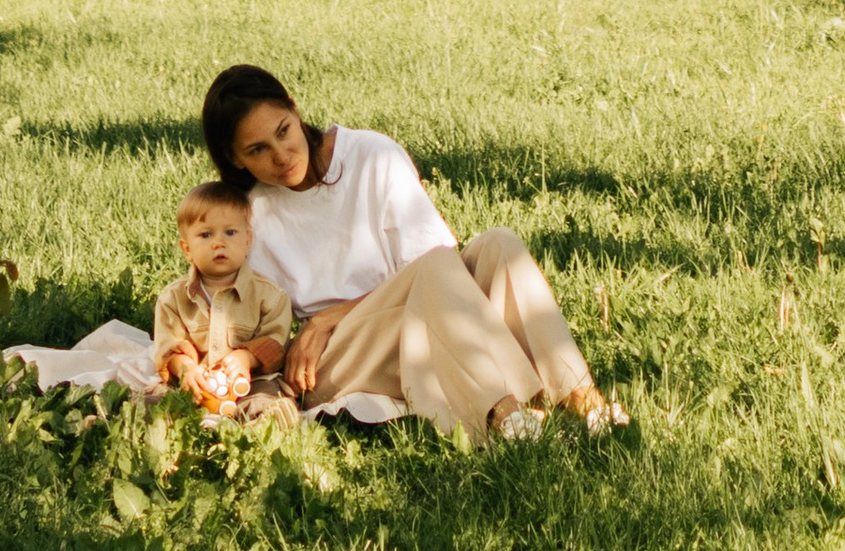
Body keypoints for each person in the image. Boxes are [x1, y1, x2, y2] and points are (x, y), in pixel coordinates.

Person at [199, 62, 627, 440]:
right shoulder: (250, 216)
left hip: (411, 315)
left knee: (499, 244)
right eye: (258, 150)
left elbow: (432, 269)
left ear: (294, 109)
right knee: (435, 267)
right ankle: (504, 414)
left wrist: (328, 318)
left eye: (283, 131)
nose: (282, 155)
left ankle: (583, 399)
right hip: (341, 357)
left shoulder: (370, 154)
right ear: (235, 160)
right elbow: (250, 325)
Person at [151, 176, 299, 426]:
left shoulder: (270, 296)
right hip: (196, 385)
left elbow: (276, 343)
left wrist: (247, 358)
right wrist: (187, 369)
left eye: (230, 232)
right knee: (157, 401)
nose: (219, 242)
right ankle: (116, 421)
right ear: (187, 249)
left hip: (248, 382)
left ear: (247, 241)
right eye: (206, 235)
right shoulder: (173, 298)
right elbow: (169, 347)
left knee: (267, 396)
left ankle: (266, 424)